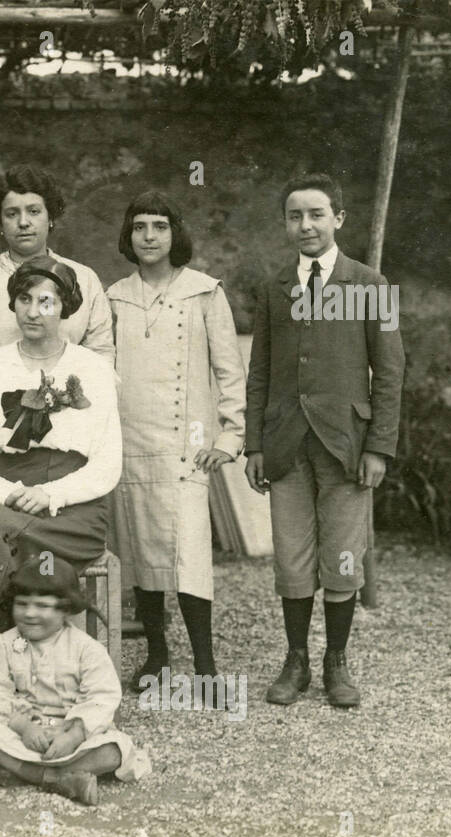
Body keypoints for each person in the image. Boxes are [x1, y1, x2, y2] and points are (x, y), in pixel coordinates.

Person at [0, 163, 114, 636]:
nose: (24, 221)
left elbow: (101, 357)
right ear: (0, 220)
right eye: (12, 213)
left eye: (35, 211)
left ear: (52, 217)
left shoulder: (84, 281)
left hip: (69, 460)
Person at [244, 173, 405, 708]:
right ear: (286, 223)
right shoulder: (275, 288)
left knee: (341, 556)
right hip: (286, 443)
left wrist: (379, 447)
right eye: (295, 216)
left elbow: (390, 370)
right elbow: (260, 372)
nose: (305, 225)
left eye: (316, 214)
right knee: (292, 558)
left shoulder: (371, 286)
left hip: (347, 446)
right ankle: (296, 659)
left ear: (338, 219)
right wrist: (255, 444)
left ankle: (336, 660)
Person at [0, 257, 120, 708]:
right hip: (9, 498)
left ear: (65, 307)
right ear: (13, 305)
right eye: (25, 299)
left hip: (74, 509)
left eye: (46, 301)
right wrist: (10, 494)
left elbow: (107, 465)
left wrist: (50, 495)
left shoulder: (92, 370)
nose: (34, 311)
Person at [107, 191, 246, 699]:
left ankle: (206, 663)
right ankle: (157, 652)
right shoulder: (115, 296)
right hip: (131, 443)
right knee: (143, 553)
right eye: (140, 226)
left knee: (189, 553)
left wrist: (229, 437)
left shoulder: (205, 292)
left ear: (174, 234)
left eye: (159, 227)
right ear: (129, 235)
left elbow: (230, 371)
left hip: (187, 446)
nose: (149, 236)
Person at [0, 557, 149, 806]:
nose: (30, 614)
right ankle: (58, 778)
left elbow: (101, 697)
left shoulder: (86, 649)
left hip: (71, 737)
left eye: (42, 606)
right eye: (22, 604)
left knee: (115, 749)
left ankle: (14, 774)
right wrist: (24, 727)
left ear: (65, 609)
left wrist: (74, 734)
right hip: (19, 732)